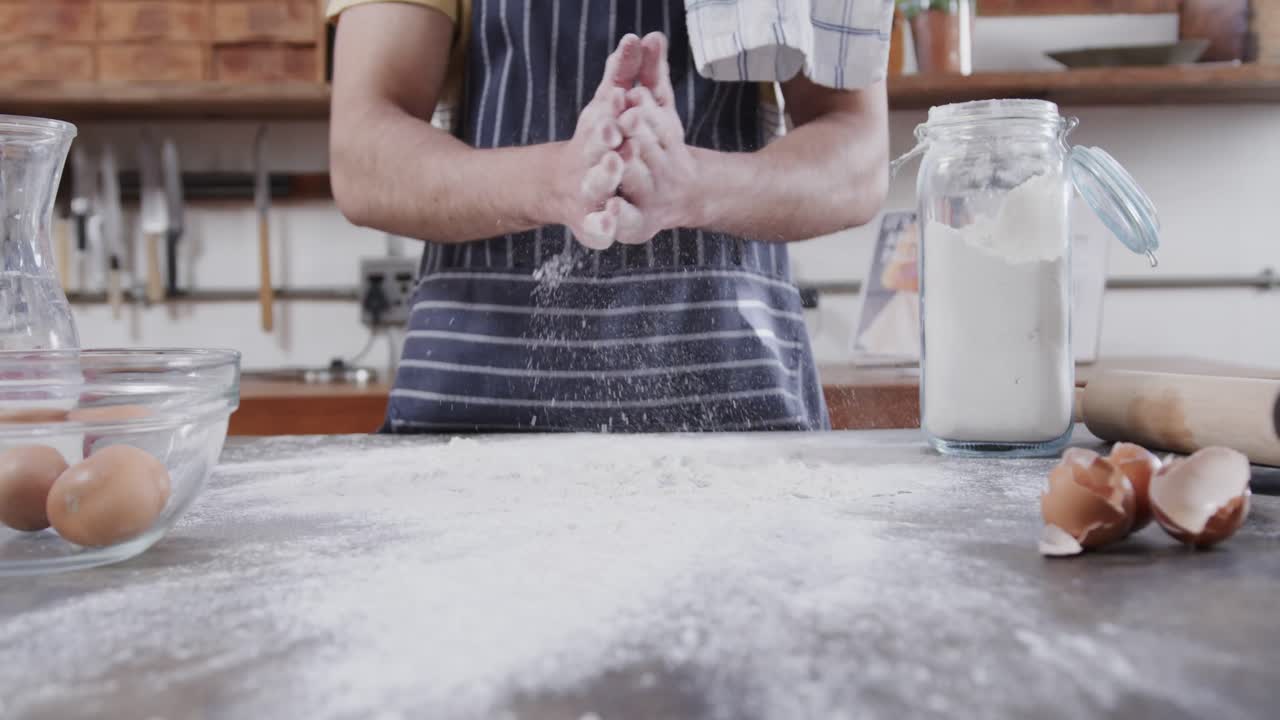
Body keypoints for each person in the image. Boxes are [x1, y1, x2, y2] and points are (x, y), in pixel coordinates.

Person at [327, 0, 890, 433]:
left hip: (741, 423)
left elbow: (857, 159)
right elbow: (362, 158)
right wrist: (554, 181)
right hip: (472, 428)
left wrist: (693, 186)